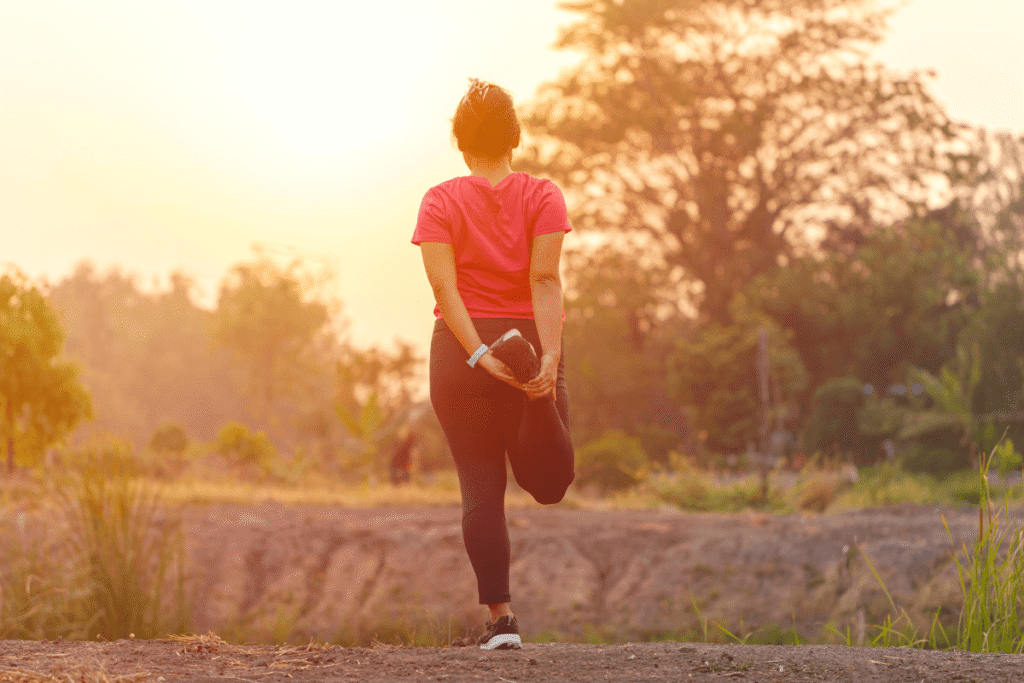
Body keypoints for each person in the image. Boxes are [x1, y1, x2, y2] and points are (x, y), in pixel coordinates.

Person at [412, 78, 576, 651]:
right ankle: (533, 392)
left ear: (460, 142)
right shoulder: (543, 195)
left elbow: (443, 286)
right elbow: (544, 278)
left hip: (458, 355)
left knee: (481, 491)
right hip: (527, 335)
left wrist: (477, 354)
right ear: (514, 137)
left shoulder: (439, 200)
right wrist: (548, 361)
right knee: (549, 484)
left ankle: (502, 622)